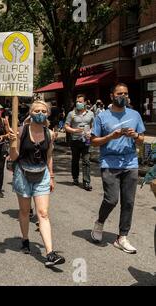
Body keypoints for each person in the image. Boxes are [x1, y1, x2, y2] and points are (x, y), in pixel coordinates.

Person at [8, 100, 65, 267]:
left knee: (43, 213)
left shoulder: (49, 133)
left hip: (42, 175)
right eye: (37, 110)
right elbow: (13, 157)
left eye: (43, 111)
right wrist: (12, 143)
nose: (40, 113)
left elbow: (49, 155)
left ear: (47, 114)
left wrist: (52, 176)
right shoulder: (21, 131)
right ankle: (25, 239)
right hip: (23, 175)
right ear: (31, 113)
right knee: (25, 212)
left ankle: (50, 253)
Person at [90, 83, 145, 254]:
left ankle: (122, 237)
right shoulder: (102, 117)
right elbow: (93, 140)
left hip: (130, 163)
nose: (123, 96)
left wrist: (135, 135)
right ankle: (99, 223)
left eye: (125, 93)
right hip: (109, 163)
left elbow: (141, 139)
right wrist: (110, 136)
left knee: (128, 202)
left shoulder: (135, 115)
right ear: (112, 96)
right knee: (111, 199)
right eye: (119, 93)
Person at [65, 94, 95, 191]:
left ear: (85, 102)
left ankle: (86, 182)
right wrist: (74, 130)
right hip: (75, 140)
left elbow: (93, 126)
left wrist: (90, 132)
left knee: (86, 161)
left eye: (80, 102)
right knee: (75, 160)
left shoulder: (91, 114)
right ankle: (75, 178)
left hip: (86, 141)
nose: (78, 103)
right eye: (77, 101)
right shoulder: (71, 114)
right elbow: (66, 126)